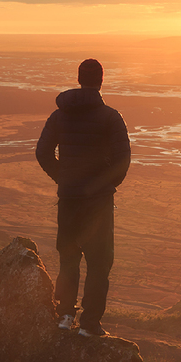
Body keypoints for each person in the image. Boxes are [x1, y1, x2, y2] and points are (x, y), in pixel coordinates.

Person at [36, 58, 130, 337]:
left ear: (78, 80)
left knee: (68, 258)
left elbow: (42, 153)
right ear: (101, 81)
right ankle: (89, 325)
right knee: (100, 263)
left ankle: (64, 315)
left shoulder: (59, 115)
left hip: (68, 200)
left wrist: (63, 179)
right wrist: (105, 186)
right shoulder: (111, 117)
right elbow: (122, 160)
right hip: (98, 203)